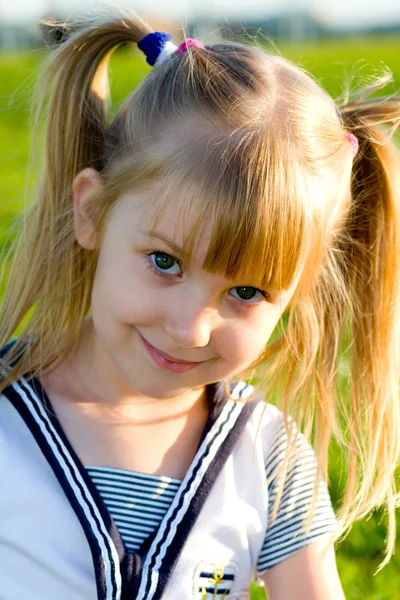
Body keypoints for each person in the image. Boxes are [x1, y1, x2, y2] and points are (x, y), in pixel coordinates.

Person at [0, 14, 399, 600]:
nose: (190, 329)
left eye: (246, 292)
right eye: (164, 262)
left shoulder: (268, 457)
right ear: (92, 212)